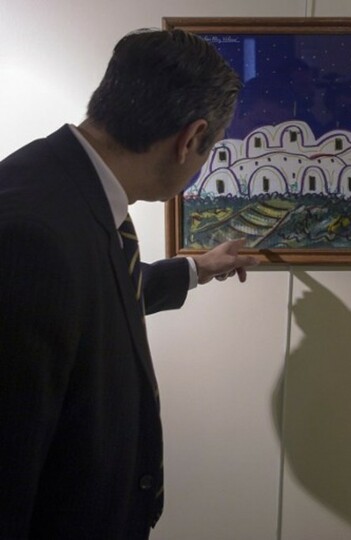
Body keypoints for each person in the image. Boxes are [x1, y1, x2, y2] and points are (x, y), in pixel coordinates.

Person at [0, 29, 258, 538]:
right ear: (190, 139)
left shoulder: (64, 185)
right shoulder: (31, 236)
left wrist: (196, 269)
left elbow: (86, 296)